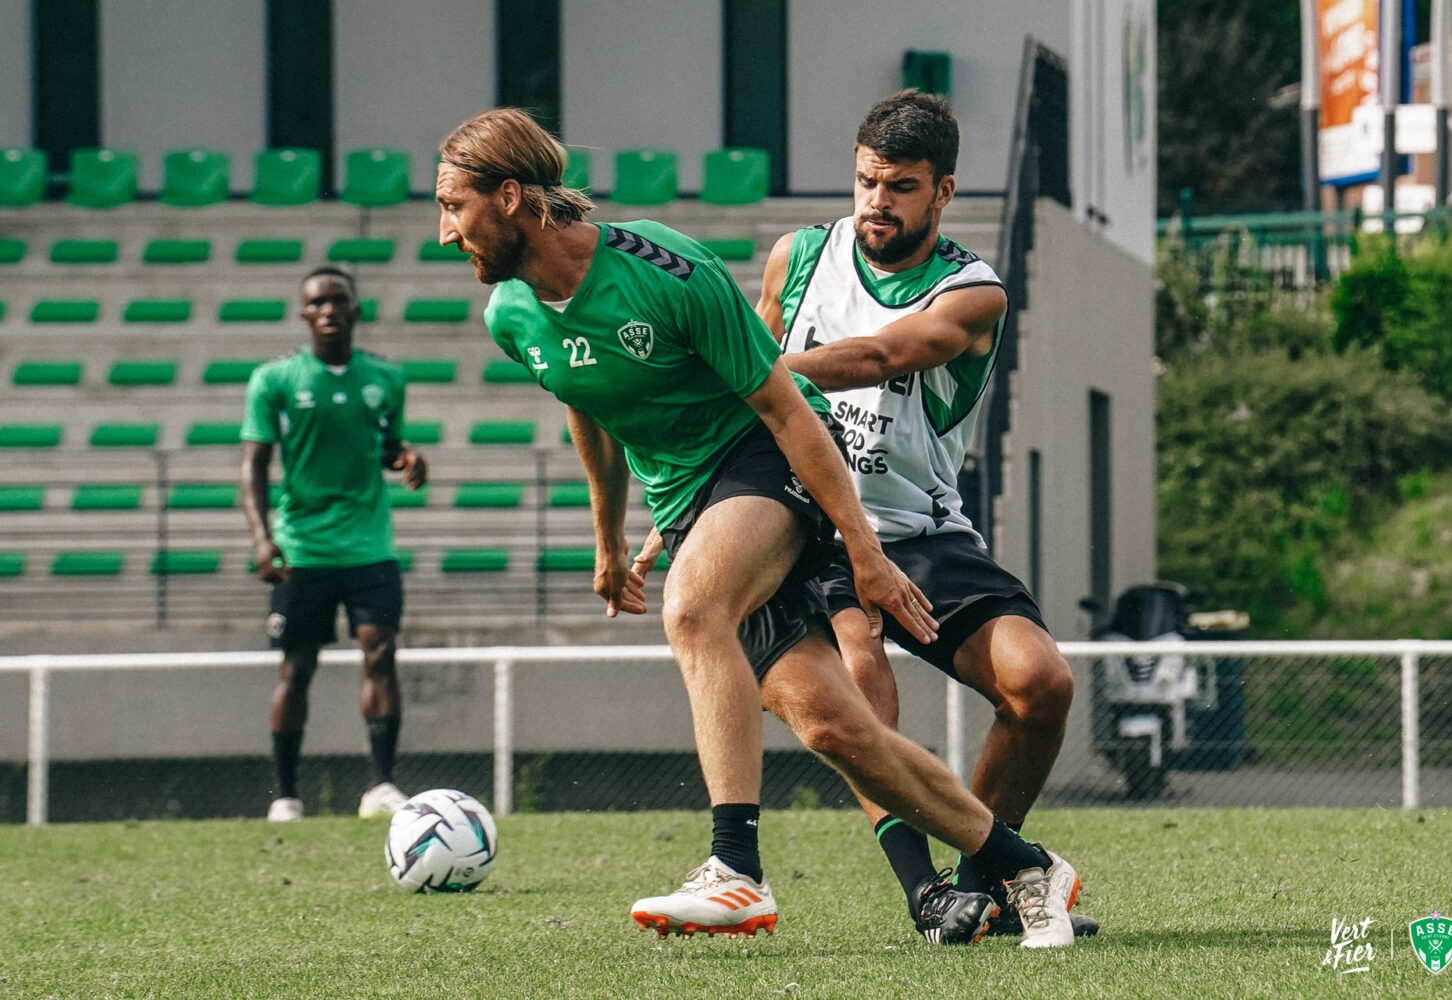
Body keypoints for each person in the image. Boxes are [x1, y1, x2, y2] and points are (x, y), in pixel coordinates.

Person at [436, 106, 1079, 948]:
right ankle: (1019, 866)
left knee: (697, 609)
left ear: (510, 196)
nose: (444, 232)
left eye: (452, 206)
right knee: (835, 726)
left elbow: (789, 398)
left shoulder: (668, 270)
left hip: (802, 475)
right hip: (705, 501)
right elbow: (586, 402)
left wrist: (859, 543)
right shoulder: (512, 315)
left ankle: (737, 867)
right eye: (866, 179)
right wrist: (610, 538)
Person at [752, 89, 1093, 943]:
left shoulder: (973, 293)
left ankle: (986, 885)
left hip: (922, 531)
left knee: (1041, 685)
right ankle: (925, 892)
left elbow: (882, 354)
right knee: (859, 665)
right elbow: (748, 408)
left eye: (900, 187)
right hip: (809, 528)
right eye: (867, 181)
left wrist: (757, 373)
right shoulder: (798, 258)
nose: (877, 201)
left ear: (942, 191)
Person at [239, 266, 428, 823]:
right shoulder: (274, 380)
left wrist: (407, 458)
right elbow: (253, 464)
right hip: (303, 548)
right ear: (303, 314)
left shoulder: (386, 378)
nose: (328, 310)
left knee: (381, 653)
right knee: (297, 668)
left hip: (370, 545)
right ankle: (285, 796)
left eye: (338, 300)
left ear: (355, 311)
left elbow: (387, 445)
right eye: (317, 303)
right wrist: (262, 537)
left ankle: (383, 786)